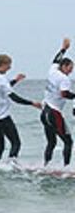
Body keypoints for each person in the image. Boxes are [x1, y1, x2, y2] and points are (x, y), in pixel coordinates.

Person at [0, 54, 42, 161]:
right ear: (3, 64)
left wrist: (15, 80)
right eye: (8, 65)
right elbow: (14, 97)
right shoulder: (1, 79)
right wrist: (32, 103)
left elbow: (2, 88)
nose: (10, 68)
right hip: (2, 116)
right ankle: (11, 165)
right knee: (16, 143)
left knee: (0, 146)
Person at [41, 38, 74, 166]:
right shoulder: (64, 79)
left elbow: (56, 59)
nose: (71, 71)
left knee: (51, 142)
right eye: (70, 68)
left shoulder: (52, 70)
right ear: (64, 66)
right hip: (54, 113)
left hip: (45, 112)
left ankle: (45, 165)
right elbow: (64, 94)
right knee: (68, 142)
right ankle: (66, 168)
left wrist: (64, 49)